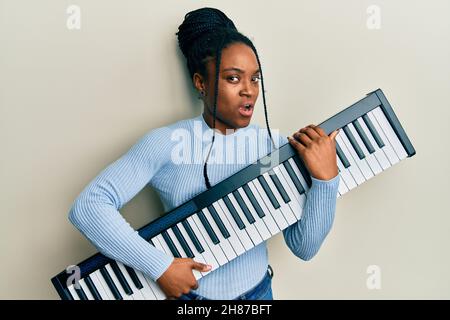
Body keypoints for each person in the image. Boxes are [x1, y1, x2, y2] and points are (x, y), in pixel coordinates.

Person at [68, 7, 340, 300]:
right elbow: (88, 207)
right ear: (201, 83)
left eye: (255, 79)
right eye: (233, 79)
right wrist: (160, 267)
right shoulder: (167, 143)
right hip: (191, 300)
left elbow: (304, 247)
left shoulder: (269, 145)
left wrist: (326, 181)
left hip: (259, 293)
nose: (249, 91)